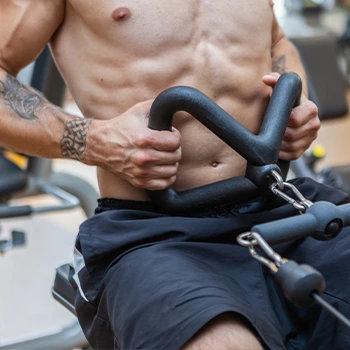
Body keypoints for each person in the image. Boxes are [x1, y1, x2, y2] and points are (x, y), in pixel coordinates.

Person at [3, 1, 348, 349]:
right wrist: (93, 141)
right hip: (153, 231)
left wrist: (296, 100)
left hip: (280, 203)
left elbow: (275, 40)